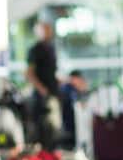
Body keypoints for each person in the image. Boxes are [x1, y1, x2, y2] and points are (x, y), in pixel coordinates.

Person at [27, 21, 61, 150]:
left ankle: (50, 154)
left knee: (54, 129)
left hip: (52, 92)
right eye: (46, 30)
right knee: (46, 127)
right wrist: (43, 90)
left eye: (49, 29)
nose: (49, 33)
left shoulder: (51, 49)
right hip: (43, 96)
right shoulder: (36, 50)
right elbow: (29, 73)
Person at [59, 70, 88, 150]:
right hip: (68, 126)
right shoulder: (67, 89)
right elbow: (77, 104)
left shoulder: (71, 89)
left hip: (71, 126)